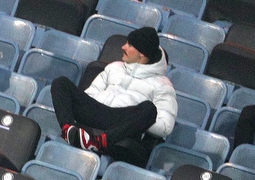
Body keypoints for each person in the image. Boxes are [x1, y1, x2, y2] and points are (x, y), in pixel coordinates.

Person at [50, 27, 177, 155]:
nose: (123, 47)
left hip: (122, 122)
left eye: (129, 45)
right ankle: (69, 131)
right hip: (97, 111)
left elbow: (165, 127)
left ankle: (99, 142)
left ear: (142, 53)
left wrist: (137, 121)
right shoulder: (114, 67)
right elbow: (90, 93)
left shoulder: (163, 86)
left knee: (149, 110)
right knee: (61, 83)